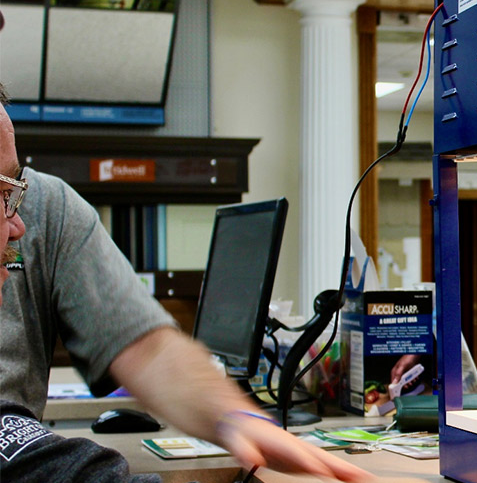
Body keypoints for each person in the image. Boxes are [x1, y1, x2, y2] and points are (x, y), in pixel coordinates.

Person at [0, 84, 372, 482]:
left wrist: (235, 418)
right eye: (1, 191)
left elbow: (147, 349)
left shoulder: (46, 207)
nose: (19, 223)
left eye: (13, 187)